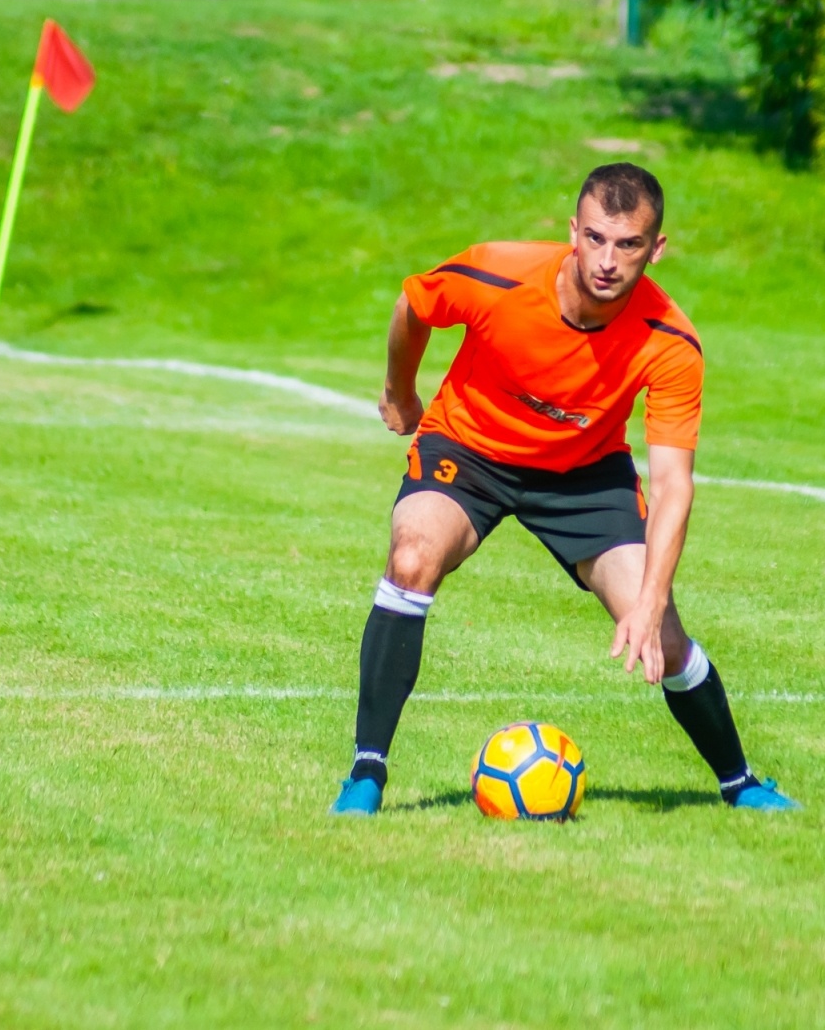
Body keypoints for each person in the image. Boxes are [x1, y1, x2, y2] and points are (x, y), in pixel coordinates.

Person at [332, 162, 800, 815]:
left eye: (629, 244)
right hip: (470, 450)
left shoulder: (669, 340)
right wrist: (400, 390)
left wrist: (650, 600)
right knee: (411, 557)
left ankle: (741, 782)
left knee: (661, 635)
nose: (609, 260)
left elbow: (671, 484)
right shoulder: (500, 272)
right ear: (572, 231)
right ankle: (365, 774)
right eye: (597, 238)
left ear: (656, 248)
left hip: (585, 477)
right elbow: (415, 303)